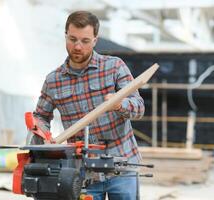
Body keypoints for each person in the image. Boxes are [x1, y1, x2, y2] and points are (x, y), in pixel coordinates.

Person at [33, 10, 145, 200]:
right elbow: (40, 116)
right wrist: (44, 136)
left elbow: (139, 108)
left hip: (122, 165)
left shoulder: (114, 67)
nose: (77, 46)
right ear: (65, 36)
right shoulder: (53, 80)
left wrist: (120, 104)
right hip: (83, 172)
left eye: (85, 41)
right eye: (72, 39)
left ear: (95, 40)